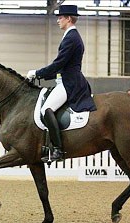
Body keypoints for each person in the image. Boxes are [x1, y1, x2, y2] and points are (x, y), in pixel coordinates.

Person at [26, 5, 96, 162]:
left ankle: (58, 150)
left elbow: (58, 64)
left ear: (69, 19)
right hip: (66, 79)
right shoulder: (70, 36)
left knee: (46, 109)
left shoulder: (71, 38)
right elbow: (60, 66)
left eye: (61, 17)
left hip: (70, 82)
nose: (58, 20)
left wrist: (37, 73)